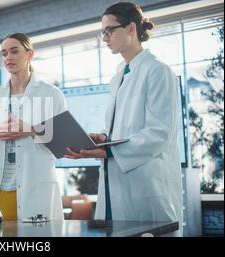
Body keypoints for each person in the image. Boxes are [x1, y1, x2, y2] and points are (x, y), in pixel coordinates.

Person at [64, 2, 183, 236]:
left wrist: (108, 150)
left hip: (147, 185)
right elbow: (126, 130)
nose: (104, 37)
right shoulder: (120, 76)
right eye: (103, 32)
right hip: (114, 184)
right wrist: (103, 139)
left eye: (109, 30)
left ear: (130, 28)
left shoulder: (157, 71)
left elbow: (159, 133)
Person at [0, 33, 67, 221]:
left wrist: (31, 130)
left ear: (30, 54)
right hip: (0, 189)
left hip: (36, 187)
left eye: (14, 51)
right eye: (4, 53)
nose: (8, 57)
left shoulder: (51, 93)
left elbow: (63, 145)